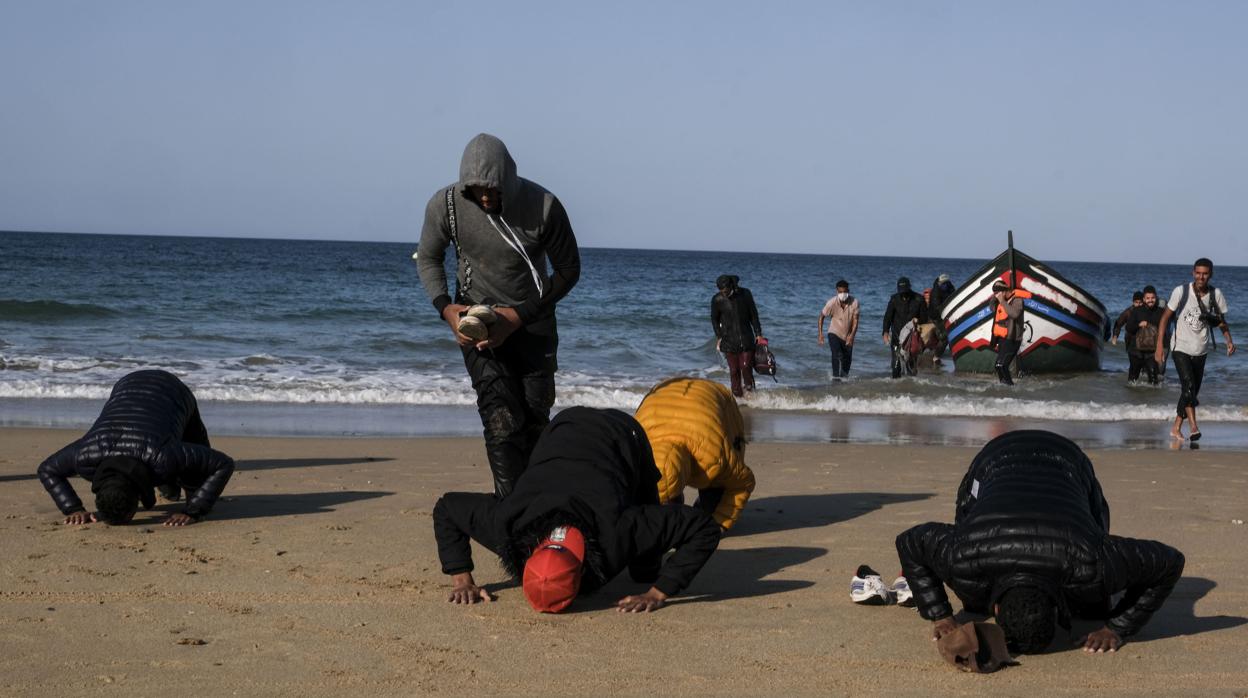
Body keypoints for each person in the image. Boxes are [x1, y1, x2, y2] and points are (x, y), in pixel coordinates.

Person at [896, 430, 1185, 656]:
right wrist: (940, 615)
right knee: (1092, 595)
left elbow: (1170, 563)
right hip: (1002, 461)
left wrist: (1118, 626)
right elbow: (909, 542)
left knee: (1095, 600)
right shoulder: (962, 556)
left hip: (1061, 462)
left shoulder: (1092, 563)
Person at [415, 133, 581, 498]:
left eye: (494, 189)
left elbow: (569, 270)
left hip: (532, 319)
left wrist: (519, 316)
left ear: (510, 180)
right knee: (501, 420)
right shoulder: (446, 205)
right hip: (477, 320)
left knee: (535, 422)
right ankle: (513, 516)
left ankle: (539, 502)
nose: (486, 196)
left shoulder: (544, 206)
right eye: (477, 190)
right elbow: (428, 258)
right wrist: (446, 309)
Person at [432, 407, 721, 613]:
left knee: (645, 571)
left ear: (583, 572)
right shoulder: (507, 524)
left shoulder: (620, 532)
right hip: (564, 427)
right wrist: (462, 579)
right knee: (646, 550)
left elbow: (704, 527)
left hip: (623, 434)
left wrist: (659, 592)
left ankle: (671, 500)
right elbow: (447, 508)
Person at [36, 370, 236, 526]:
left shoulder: (163, 455)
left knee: (195, 473)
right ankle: (169, 485)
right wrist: (72, 508)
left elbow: (222, 464)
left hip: (173, 391)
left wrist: (193, 510)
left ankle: (173, 484)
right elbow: (47, 469)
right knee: (175, 466)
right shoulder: (88, 453)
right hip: (127, 384)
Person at [634, 377, 756, 531]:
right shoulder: (634, 448)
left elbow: (743, 483)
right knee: (666, 505)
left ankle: (701, 507)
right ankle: (672, 504)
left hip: (715, 400)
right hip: (667, 395)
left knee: (708, 513)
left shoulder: (715, 456)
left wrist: (719, 524)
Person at [1155, 258, 1235, 441]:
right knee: (1189, 387)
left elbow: (1221, 321)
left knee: (1190, 392)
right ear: (1193, 273)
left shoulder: (1216, 295)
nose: (1201, 277)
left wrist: (1228, 340)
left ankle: (1176, 428)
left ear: (1210, 275)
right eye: (1198, 273)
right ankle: (1193, 427)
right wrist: (1160, 345)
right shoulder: (1181, 291)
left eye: (1205, 273)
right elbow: (1165, 318)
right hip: (1180, 346)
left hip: (1201, 349)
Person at [711, 274, 763, 397]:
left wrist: (758, 334)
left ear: (731, 286)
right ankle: (737, 398)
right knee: (734, 371)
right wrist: (719, 337)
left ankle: (751, 395)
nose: (723, 293)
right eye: (721, 291)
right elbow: (714, 319)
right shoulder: (717, 300)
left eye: (725, 290)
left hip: (746, 338)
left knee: (745, 367)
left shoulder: (745, 294)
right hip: (729, 340)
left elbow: (753, 315)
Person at [882, 277, 928, 378]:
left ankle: (910, 391)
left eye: (905, 291)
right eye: (901, 292)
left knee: (911, 367)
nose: (903, 294)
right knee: (896, 365)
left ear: (909, 288)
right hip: (896, 338)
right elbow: (887, 317)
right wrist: (885, 332)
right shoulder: (894, 299)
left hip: (912, 339)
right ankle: (896, 389)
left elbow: (925, 319)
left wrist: (918, 320)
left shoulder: (919, 299)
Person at [988, 279, 1030, 385]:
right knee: (998, 366)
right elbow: (992, 308)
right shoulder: (1000, 300)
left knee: (1002, 365)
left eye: (998, 293)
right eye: (995, 293)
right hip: (1002, 338)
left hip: (1013, 339)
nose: (996, 295)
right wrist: (995, 297)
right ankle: (1004, 387)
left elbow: (1015, 314)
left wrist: (1002, 301)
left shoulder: (1017, 300)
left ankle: (1011, 388)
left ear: (1004, 291)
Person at [817, 279, 859, 379]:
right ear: (837, 292)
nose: (842, 294)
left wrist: (852, 336)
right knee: (837, 354)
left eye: (844, 292)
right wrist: (820, 334)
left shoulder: (854, 303)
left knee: (847, 361)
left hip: (847, 336)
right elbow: (821, 317)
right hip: (834, 333)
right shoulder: (831, 303)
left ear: (848, 291)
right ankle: (835, 378)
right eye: (840, 292)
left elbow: (856, 321)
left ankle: (843, 381)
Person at [1125, 286, 1165, 384]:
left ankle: (1151, 398)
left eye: (1153, 298)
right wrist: (1139, 324)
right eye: (1148, 298)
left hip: (1151, 352)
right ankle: (1131, 398)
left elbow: (1164, 332)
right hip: (1135, 350)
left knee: (1153, 379)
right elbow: (1128, 328)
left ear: (1156, 298)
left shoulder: (1161, 312)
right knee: (1132, 380)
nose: (1150, 300)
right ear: (1144, 299)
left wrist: (1163, 350)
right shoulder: (1137, 311)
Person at [1111, 291, 1145, 379]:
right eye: (1136, 302)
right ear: (1133, 302)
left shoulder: (1145, 311)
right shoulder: (1128, 312)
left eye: (1140, 302)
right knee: (1134, 363)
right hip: (1130, 340)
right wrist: (1115, 336)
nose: (1138, 304)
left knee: (1142, 363)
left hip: (1144, 341)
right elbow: (1118, 323)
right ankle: (1132, 381)